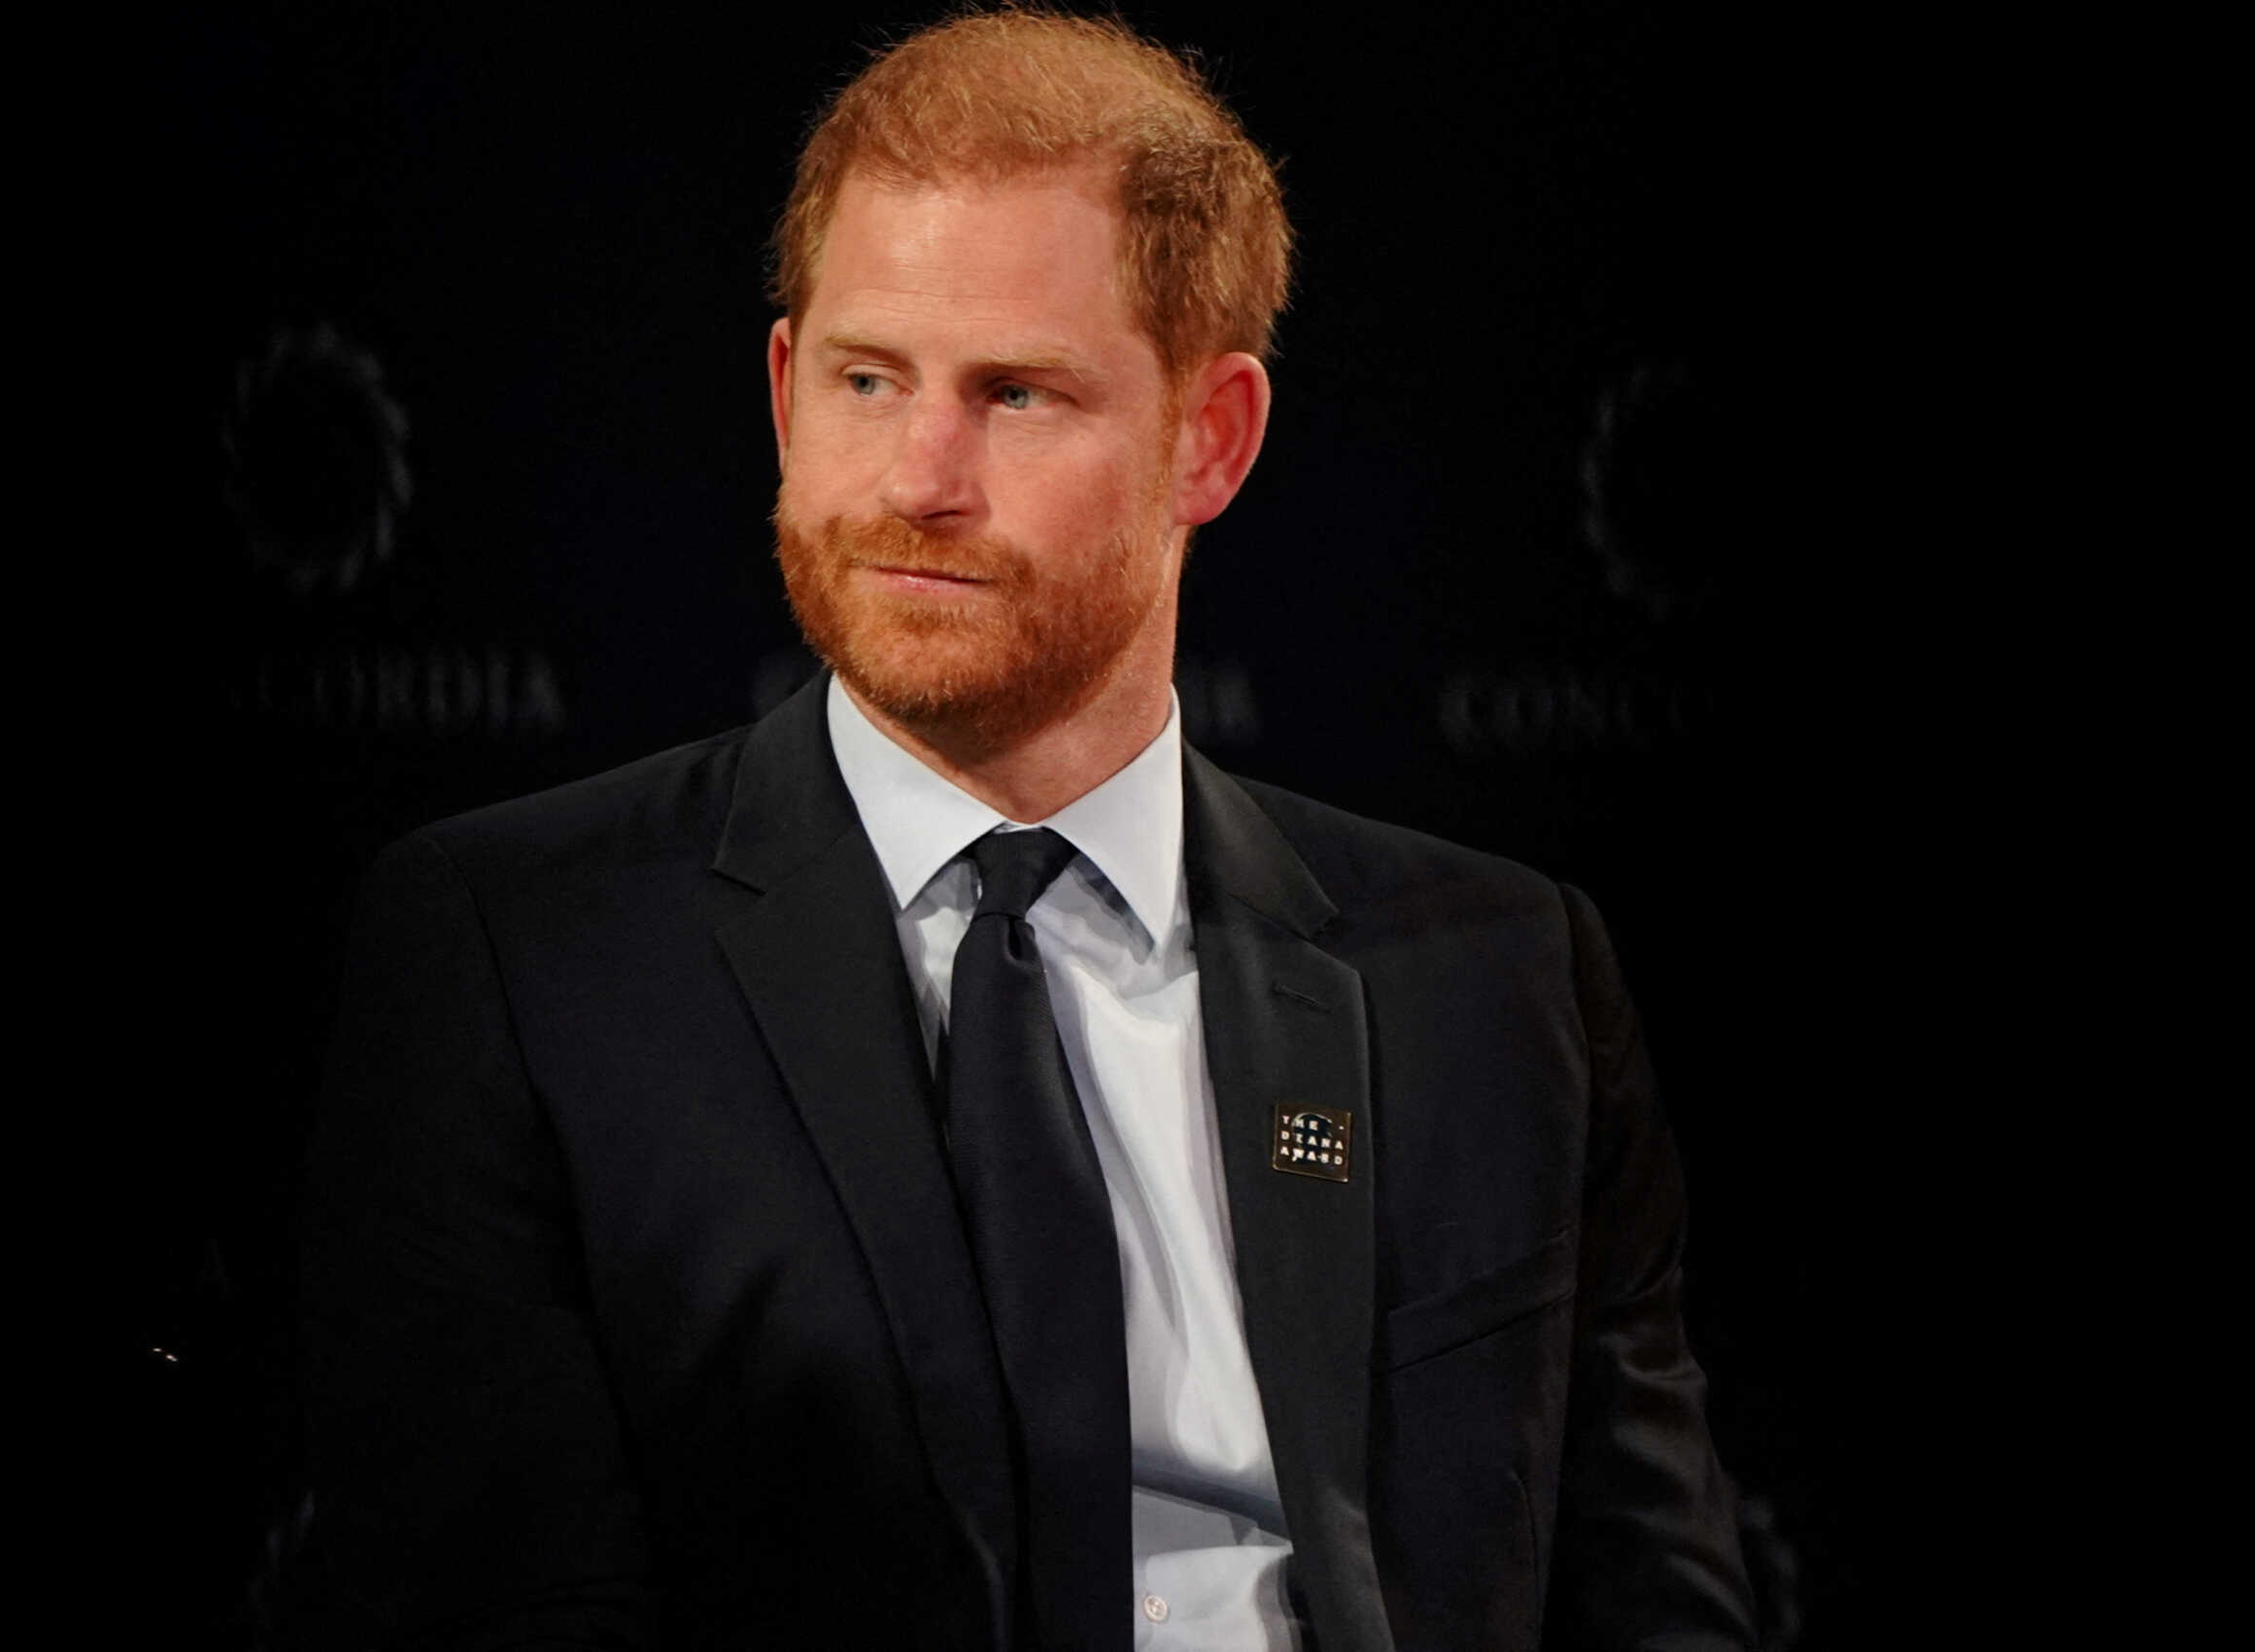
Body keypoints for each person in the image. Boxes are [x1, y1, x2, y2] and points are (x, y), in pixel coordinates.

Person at [283, 11, 1758, 1651]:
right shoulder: (516, 956)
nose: (919, 475)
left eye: (1017, 396)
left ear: (1214, 438)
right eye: (867, 378)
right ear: (783, 391)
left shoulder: (1498, 978)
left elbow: (1653, 1604)